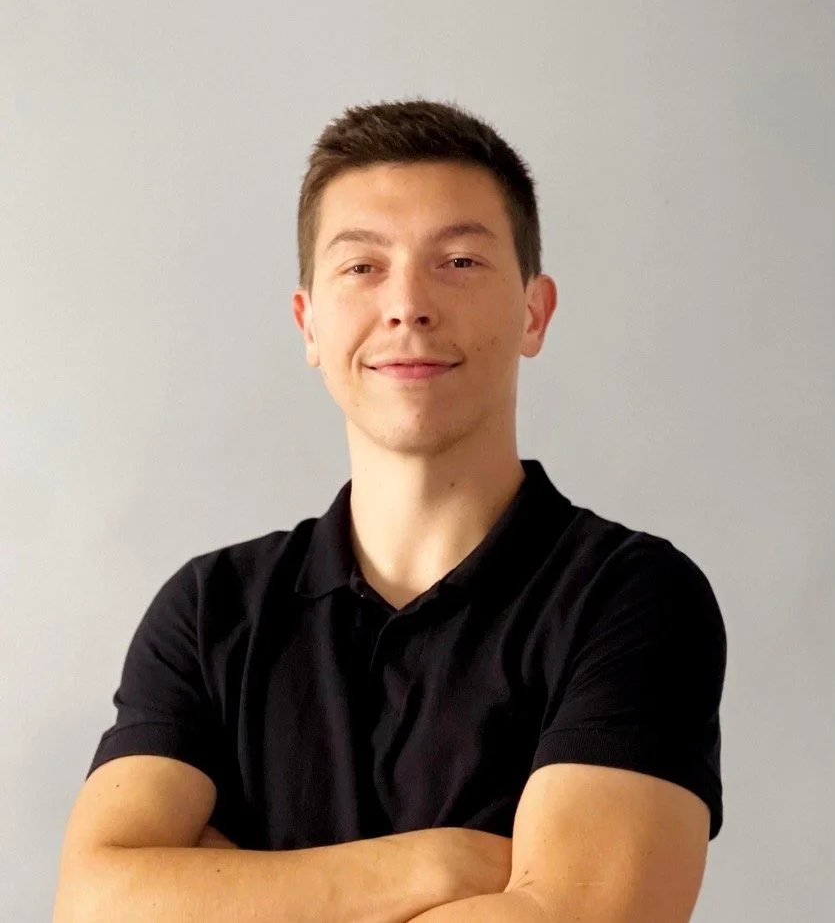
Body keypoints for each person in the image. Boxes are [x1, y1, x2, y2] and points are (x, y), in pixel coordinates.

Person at [53, 98, 727, 923]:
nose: (407, 304)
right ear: (308, 322)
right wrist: (443, 865)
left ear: (533, 312)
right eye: (362, 267)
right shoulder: (210, 610)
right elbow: (93, 903)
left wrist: (222, 886)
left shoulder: (630, 597)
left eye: (459, 261)